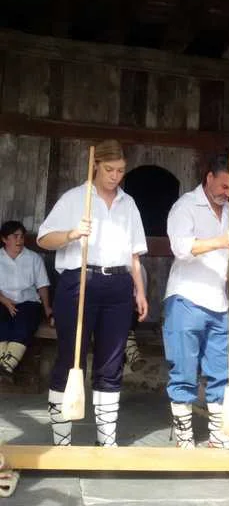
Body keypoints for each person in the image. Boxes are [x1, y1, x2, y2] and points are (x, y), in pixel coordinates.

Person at [37, 139, 148, 447]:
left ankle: (106, 442)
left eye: (120, 170)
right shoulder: (75, 198)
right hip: (79, 281)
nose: (115, 176)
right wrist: (72, 233)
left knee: (111, 363)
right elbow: (44, 238)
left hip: (118, 285)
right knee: (70, 358)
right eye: (109, 169)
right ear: (95, 165)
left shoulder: (128, 203)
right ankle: (62, 441)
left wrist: (139, 291)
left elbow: (134, 254)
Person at [163, 152, 229, 450]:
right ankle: (184, 435)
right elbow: (181, 248)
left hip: (218, 300)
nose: (228, 193)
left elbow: (228, 257)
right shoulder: (185, 206)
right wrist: (221, 240)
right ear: (209, 177)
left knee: (222, 370)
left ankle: (218, 433)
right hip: (186, 296)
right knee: (184, 369)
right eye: (224, 186)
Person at [0, 220, 52, 381]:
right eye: (15, 236)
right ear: (4, 239)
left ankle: (5, 366)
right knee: (2, 323)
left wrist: (47, 308)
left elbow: (42, 285)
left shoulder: (33, 258)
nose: (19, 240)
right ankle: (6, 367)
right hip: (2, 300)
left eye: (22, 236)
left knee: (24, 325)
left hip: (28, 302)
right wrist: (4, 300)